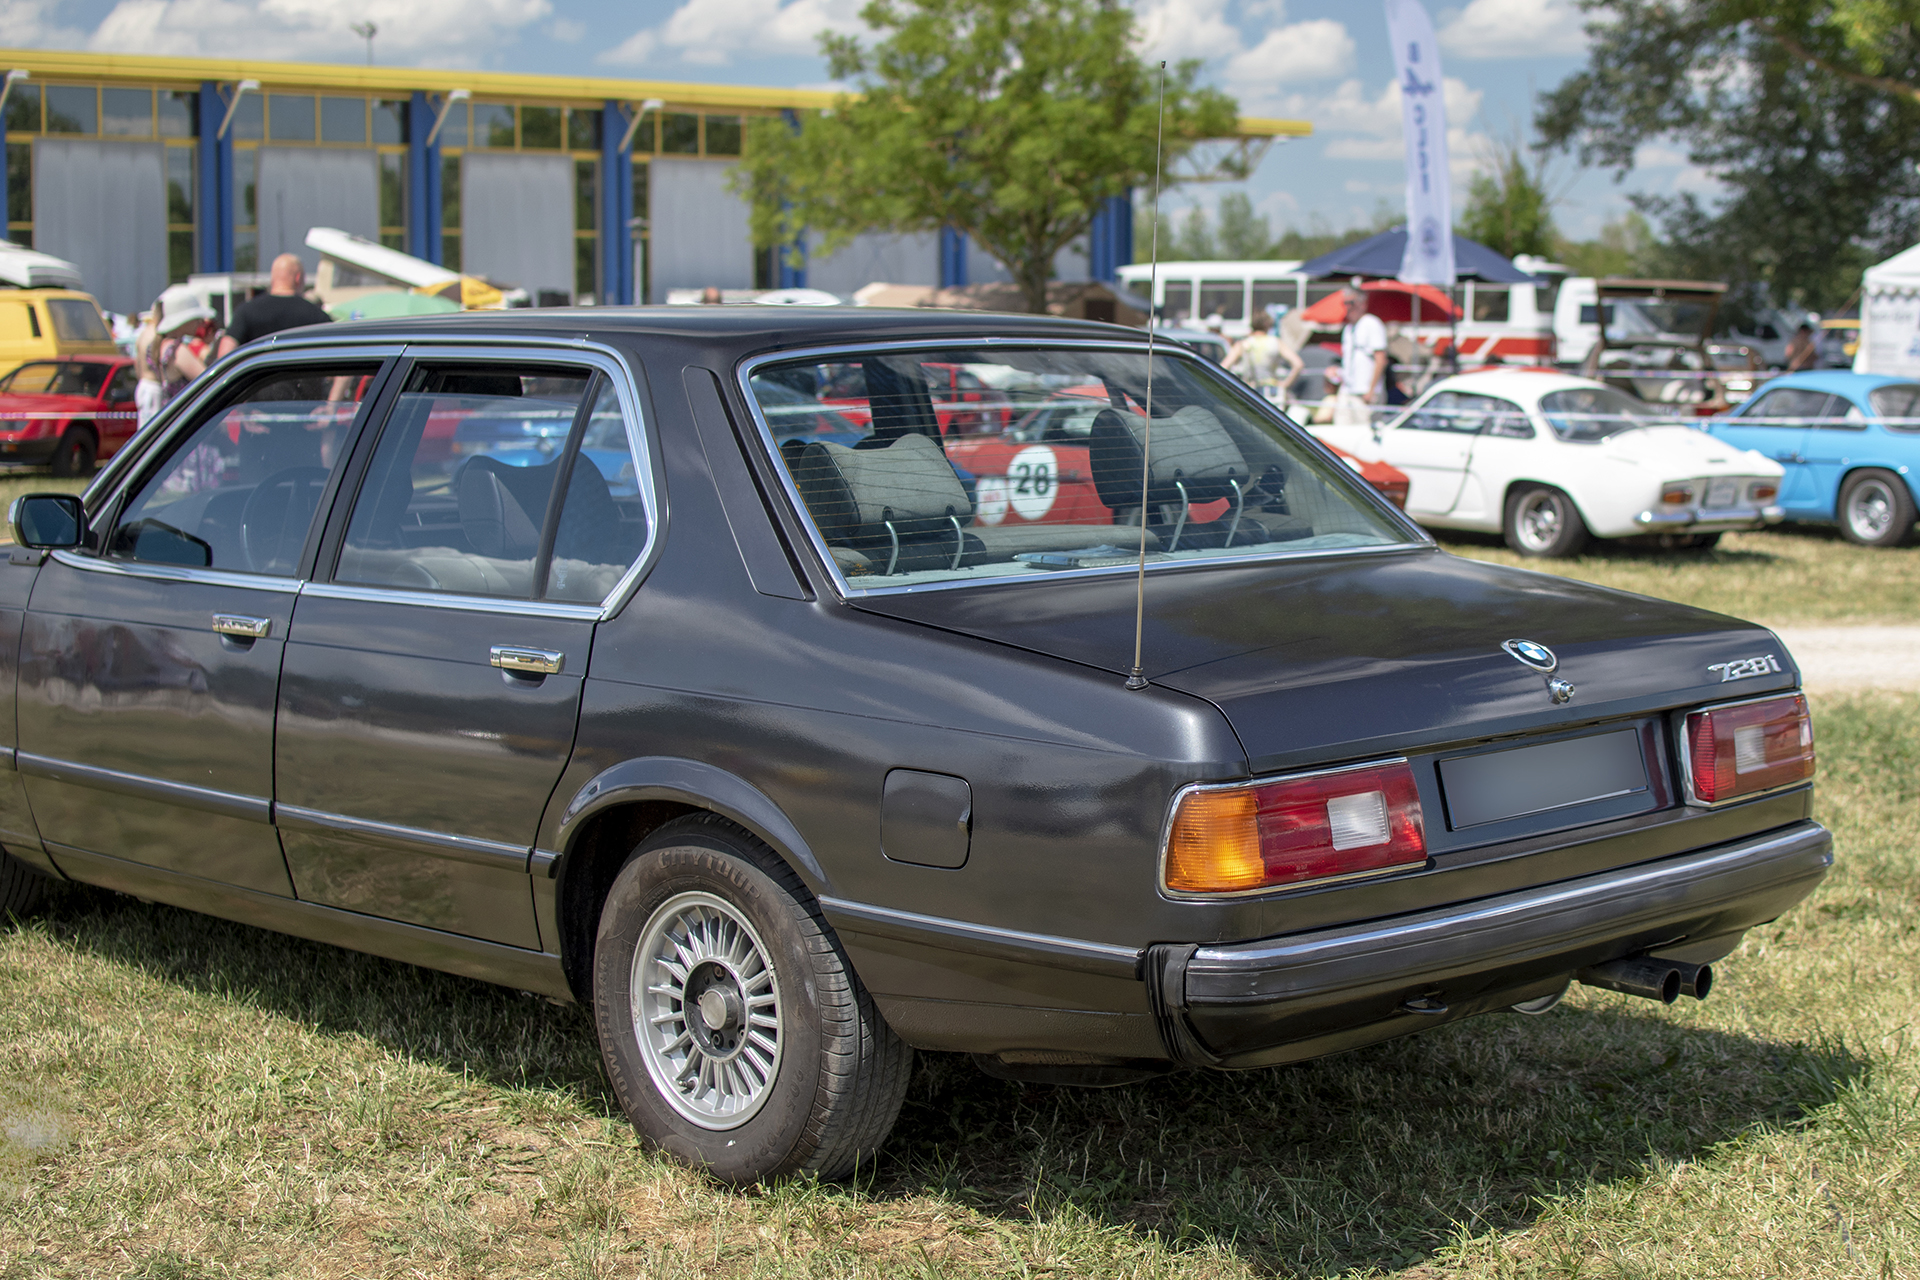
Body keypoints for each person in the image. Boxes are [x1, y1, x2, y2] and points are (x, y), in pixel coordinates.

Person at [216, 253, 331, 358]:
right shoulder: (317, 316)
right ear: (298, 278)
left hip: (260, 380)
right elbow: (337, 354)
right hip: (303, 380)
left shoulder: (246, 311)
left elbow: (225, 353)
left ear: (273, 278)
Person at [1223, 311, 1304, 404]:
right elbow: (1298, 364)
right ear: (1268, 325)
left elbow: (1224, 367)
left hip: (1249, 391)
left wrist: (1236, 385)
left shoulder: (1243, 344)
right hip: (1272, 392)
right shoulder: (1276, 342)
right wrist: (1284, 385)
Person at [1335, 285, 1388, 426]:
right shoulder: (1348, 328)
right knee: (1341, 432)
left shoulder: (1372, 324)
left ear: (1362, 304)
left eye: (1351, 303)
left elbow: (1380, 359)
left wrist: (1371, 390)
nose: (1348, 307)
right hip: (1347, 390)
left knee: (1362, 433)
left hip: (1364, 392)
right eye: (1345, 303)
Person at [156, 306, 217, 406]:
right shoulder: (178, 350)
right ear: (183, 321)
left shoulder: (166, 345)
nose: (200, 322)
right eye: (196, 318)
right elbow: (209, 382)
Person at [133, 301, 165, 429]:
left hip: (142, 384)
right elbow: (157, 362)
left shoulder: (144, 332)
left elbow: (137, 363)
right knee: (153, 431)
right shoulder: (157, 334)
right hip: (153, 387)